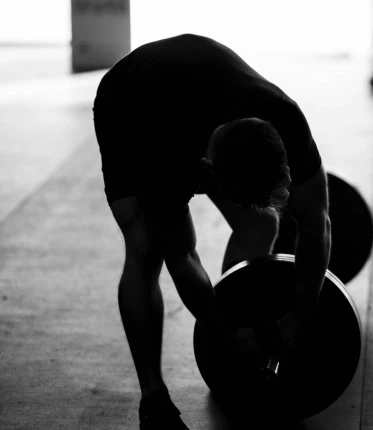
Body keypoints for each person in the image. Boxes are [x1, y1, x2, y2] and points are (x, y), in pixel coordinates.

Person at [92, 34, 332, 429]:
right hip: (131, 103)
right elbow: (182, 255)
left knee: (262, 221)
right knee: (145, 247)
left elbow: (317, 221)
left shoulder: (285, 119)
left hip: (201, 85)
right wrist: (225, 335)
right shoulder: (168, 156)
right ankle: (154, 398)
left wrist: (299, 318)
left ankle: (236, 312)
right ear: (207, 173)